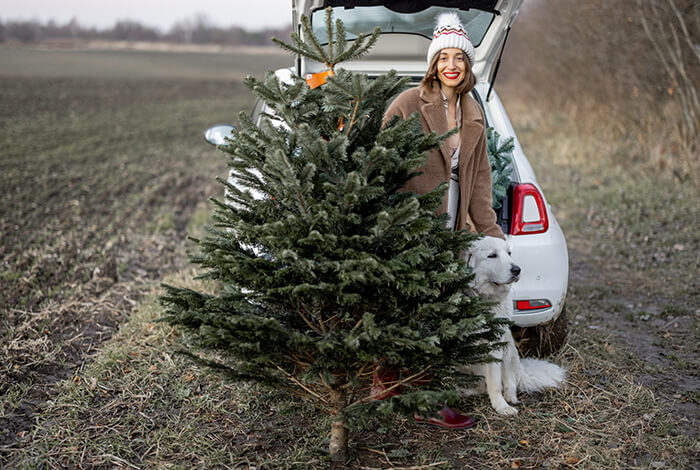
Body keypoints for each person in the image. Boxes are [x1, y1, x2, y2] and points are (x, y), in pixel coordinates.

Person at [377, 11, 506, 430]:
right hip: (411, 224)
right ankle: (389, 388)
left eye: (460, 59)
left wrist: (490, 233)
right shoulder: (408, 104)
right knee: (404, 308)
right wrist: (396, 222)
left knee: (434, 311)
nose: (452, 65)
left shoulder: (473, 114)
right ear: (433, 64)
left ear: (468, 67)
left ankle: (422, 396)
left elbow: (481, 179)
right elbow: (382, 166)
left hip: (452, 228)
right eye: (444, 57)